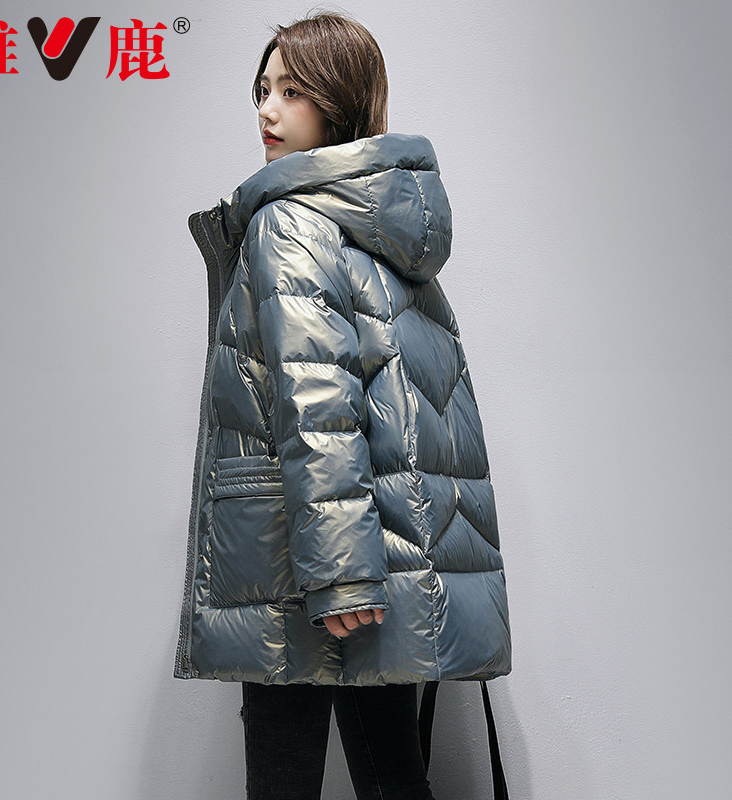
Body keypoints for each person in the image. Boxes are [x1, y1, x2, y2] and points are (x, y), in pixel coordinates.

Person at [174, 12, 512, 800]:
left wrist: (339, 579)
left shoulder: (289, 221)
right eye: (262, 90)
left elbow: (317, 406)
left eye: (292, 91)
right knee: (394, 776)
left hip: (304, 570)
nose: (267, 110)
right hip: (384, 557)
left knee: (285, 781)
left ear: (340, 100)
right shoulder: (384, 225)